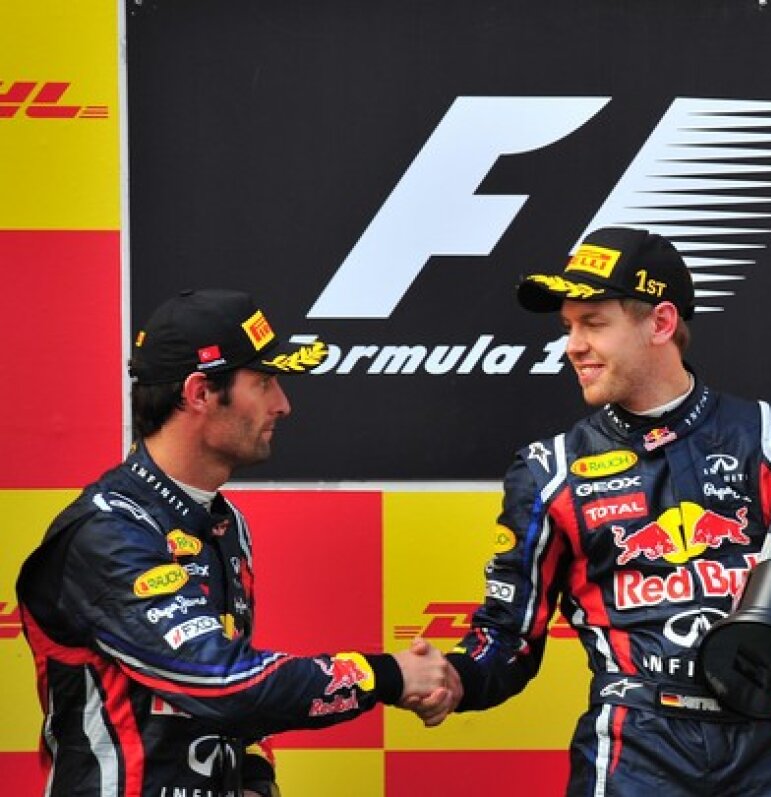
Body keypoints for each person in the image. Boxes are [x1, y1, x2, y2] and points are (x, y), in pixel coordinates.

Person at [421, 227, 771, 795]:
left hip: (768, 744)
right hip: (634, 751)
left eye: (593, 323)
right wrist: (455, 678)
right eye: (568, 327)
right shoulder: (549, 471)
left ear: (660, 323)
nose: (572, 346)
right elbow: (509, 639)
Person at [17, 288, 456, 797]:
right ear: (200, 393)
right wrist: (386, 675)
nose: (283, 405)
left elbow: (236, 704)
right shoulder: (109, 532)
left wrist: (255, 780)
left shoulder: (224, 525)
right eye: (264, 383)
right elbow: (224, 683)